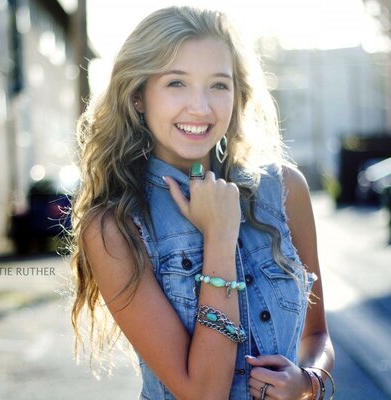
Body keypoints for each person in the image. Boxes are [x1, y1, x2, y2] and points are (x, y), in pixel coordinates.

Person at [70, 5, 334, 400]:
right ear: (139, 95)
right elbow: (202, 393)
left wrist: (309, 381)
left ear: (236, 94)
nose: (201, 107)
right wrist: (219, 238)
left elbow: (316, 334)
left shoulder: (283, 189)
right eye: (177, 83)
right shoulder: (116, 227)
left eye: (218, 84)